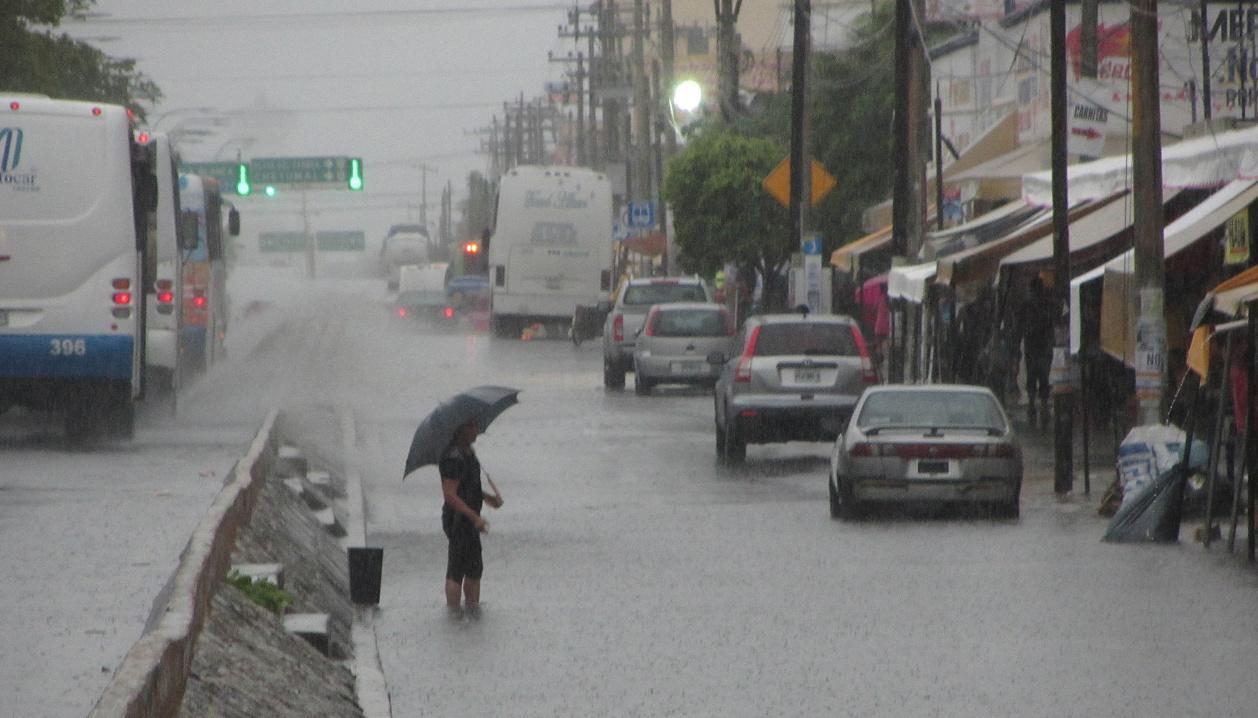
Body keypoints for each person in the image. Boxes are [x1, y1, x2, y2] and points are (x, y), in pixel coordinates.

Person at [439, 420, 503, 619]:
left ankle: (472, 609)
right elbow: (450, 494)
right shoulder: (453, 458)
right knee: (457, 567)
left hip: (470, 519)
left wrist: (489, 498)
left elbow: (469, 487)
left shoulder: (469, 453)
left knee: (475, 567)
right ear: (462, 429)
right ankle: (454, 614)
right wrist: (475, 517)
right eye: (473, 426)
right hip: (458, 519)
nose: (477, 430)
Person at [1019, 275, 1055, 427]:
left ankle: (1035, 405)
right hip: (1040, 346)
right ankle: (1041, 406)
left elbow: (1021, 324)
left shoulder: (1029, 305)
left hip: (1035, 345)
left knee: (1035, 376)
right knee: (1041, 376)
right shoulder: (1046, 304)